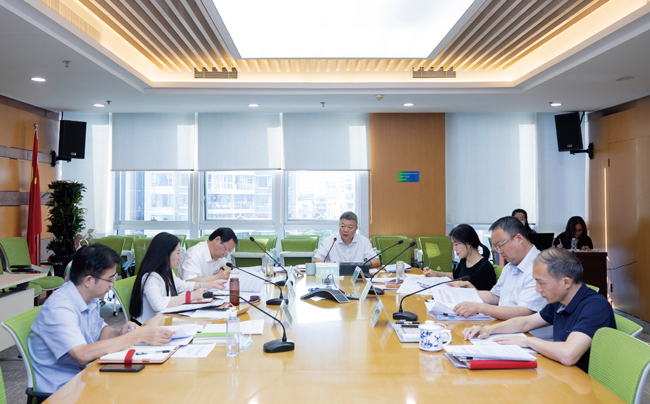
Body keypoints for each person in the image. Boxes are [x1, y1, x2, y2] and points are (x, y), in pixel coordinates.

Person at [28, 244, 175, 393]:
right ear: (88, 280)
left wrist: (119, 332)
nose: (112, 284)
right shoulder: (60, 308)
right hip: (64, 389)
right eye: (110, 279)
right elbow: (82, 354)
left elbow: (99, 332)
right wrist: (136, 336)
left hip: (87, 375)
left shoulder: (89, 298)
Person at [462, 248, 615, 373]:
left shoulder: (595, 307)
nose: (537, 289)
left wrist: (528, 341)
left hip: (587, 384)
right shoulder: (560, 302)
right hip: (563, 374)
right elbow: (526, 322)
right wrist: (488, 330)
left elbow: (568, 354)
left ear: (566, 282)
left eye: (541, 283)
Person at [452, 216, 547, 320]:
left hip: (522, 329)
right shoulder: (509, 266)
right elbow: (495, 296)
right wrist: (460, 294)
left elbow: (524, 313)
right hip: (503, 324)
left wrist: (479, 307)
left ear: (519, 239)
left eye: (500, 245)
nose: (499, 251)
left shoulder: (541, 266)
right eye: (496, 247)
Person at [130, 232, 227, 324]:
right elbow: (158, 304)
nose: (180, 257)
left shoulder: (167, 271)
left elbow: (183, 286)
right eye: (178, 253)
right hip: (147, 327)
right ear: (165, 254)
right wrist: (190, 297)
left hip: (161, 321)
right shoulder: (151, 277)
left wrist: (209, 285)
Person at [423, 224, 496, 290]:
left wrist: (468, 285)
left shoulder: (485, 268)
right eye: (453, 245)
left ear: (469, 243)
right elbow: (455, 276)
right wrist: (436, 274)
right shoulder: (464, 260)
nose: (454, 249)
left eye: (456, 244)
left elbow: (489, 297)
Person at [312, 211, 380, 267]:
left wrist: (364, 265)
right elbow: (315, 260)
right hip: (336, 276)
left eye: (350, 227)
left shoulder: (363, 241)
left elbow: (376, 261)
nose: (345, 230)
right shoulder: (329, 241)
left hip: (357, 277)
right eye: (343, 226)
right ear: (339, 226)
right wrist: (328, 265)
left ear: (356, 228)